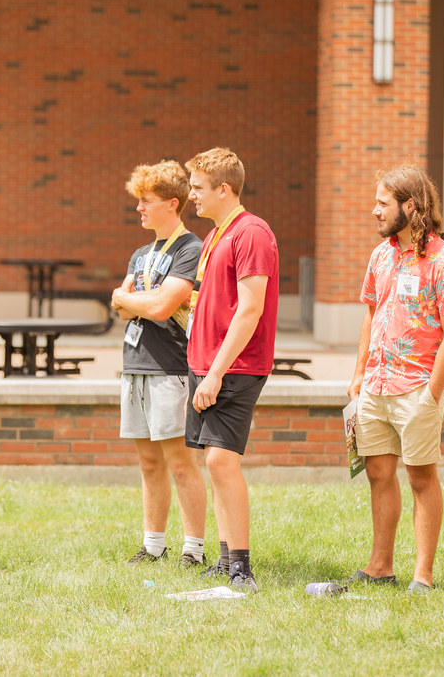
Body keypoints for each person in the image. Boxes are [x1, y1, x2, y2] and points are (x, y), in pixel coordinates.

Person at [347, 165, 444, 594]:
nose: (374, 211)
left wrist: (433, 393)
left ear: (410, 206)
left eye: (383, 203)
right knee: (379, 472)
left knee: (421, 478)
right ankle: (380, 566)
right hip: (375, 385)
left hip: (418, 387)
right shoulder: (380, 255)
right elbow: (370, 314)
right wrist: (359, 374)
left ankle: (423, 574)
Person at [183, 147, 279, 592]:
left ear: (224, 189)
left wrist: (216, 372)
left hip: (235, 366)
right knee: (212, 462)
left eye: (198, 188)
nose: (191, 196)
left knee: (222, 461)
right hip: (205, 364)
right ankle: (224, 560)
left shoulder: (251, 232)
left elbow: (250, 309)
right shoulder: (215, 236)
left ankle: (241, 567)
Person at [110, 160, 208, 567]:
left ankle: (194, 549)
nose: (139, 208)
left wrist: (127, 298)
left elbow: (163, 305)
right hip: (136, 364)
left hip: (171, 367)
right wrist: (134, 303)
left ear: (172, 203)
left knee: (181, 463)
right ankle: (153, 545)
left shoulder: (190, 249)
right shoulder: (140, 254)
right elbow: (122, 310)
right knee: (148, 462)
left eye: (146, 201)